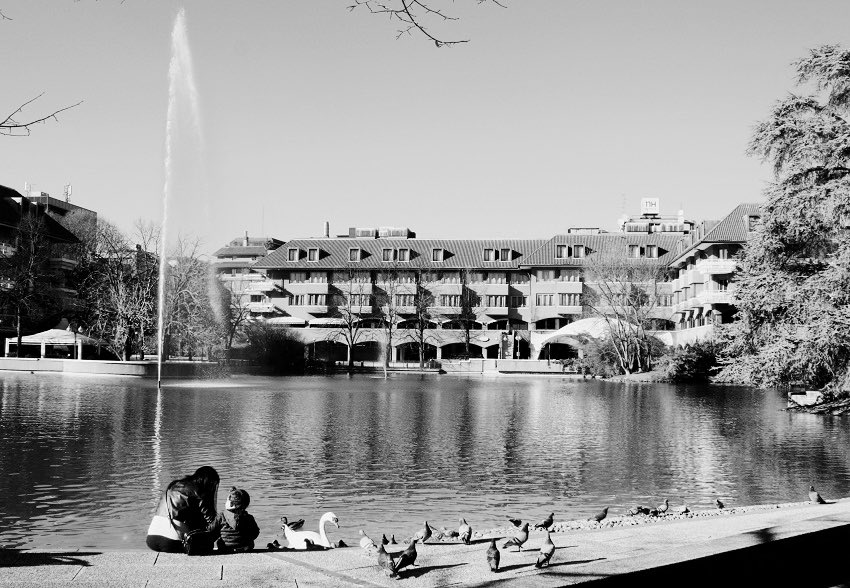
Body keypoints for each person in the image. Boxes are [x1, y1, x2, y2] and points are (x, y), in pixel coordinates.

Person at [146, 466, 220, 553]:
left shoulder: (173, 485)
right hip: (172, 541)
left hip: (151, 539)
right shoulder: (200, 492)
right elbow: (212, 521)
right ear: (210, 483)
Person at [208, 487, 260, 553]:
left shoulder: (221, 516)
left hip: (225, 548)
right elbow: (255, 532)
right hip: (245, 548)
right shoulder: (248, 517)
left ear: (230, 503)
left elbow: (211, 531)